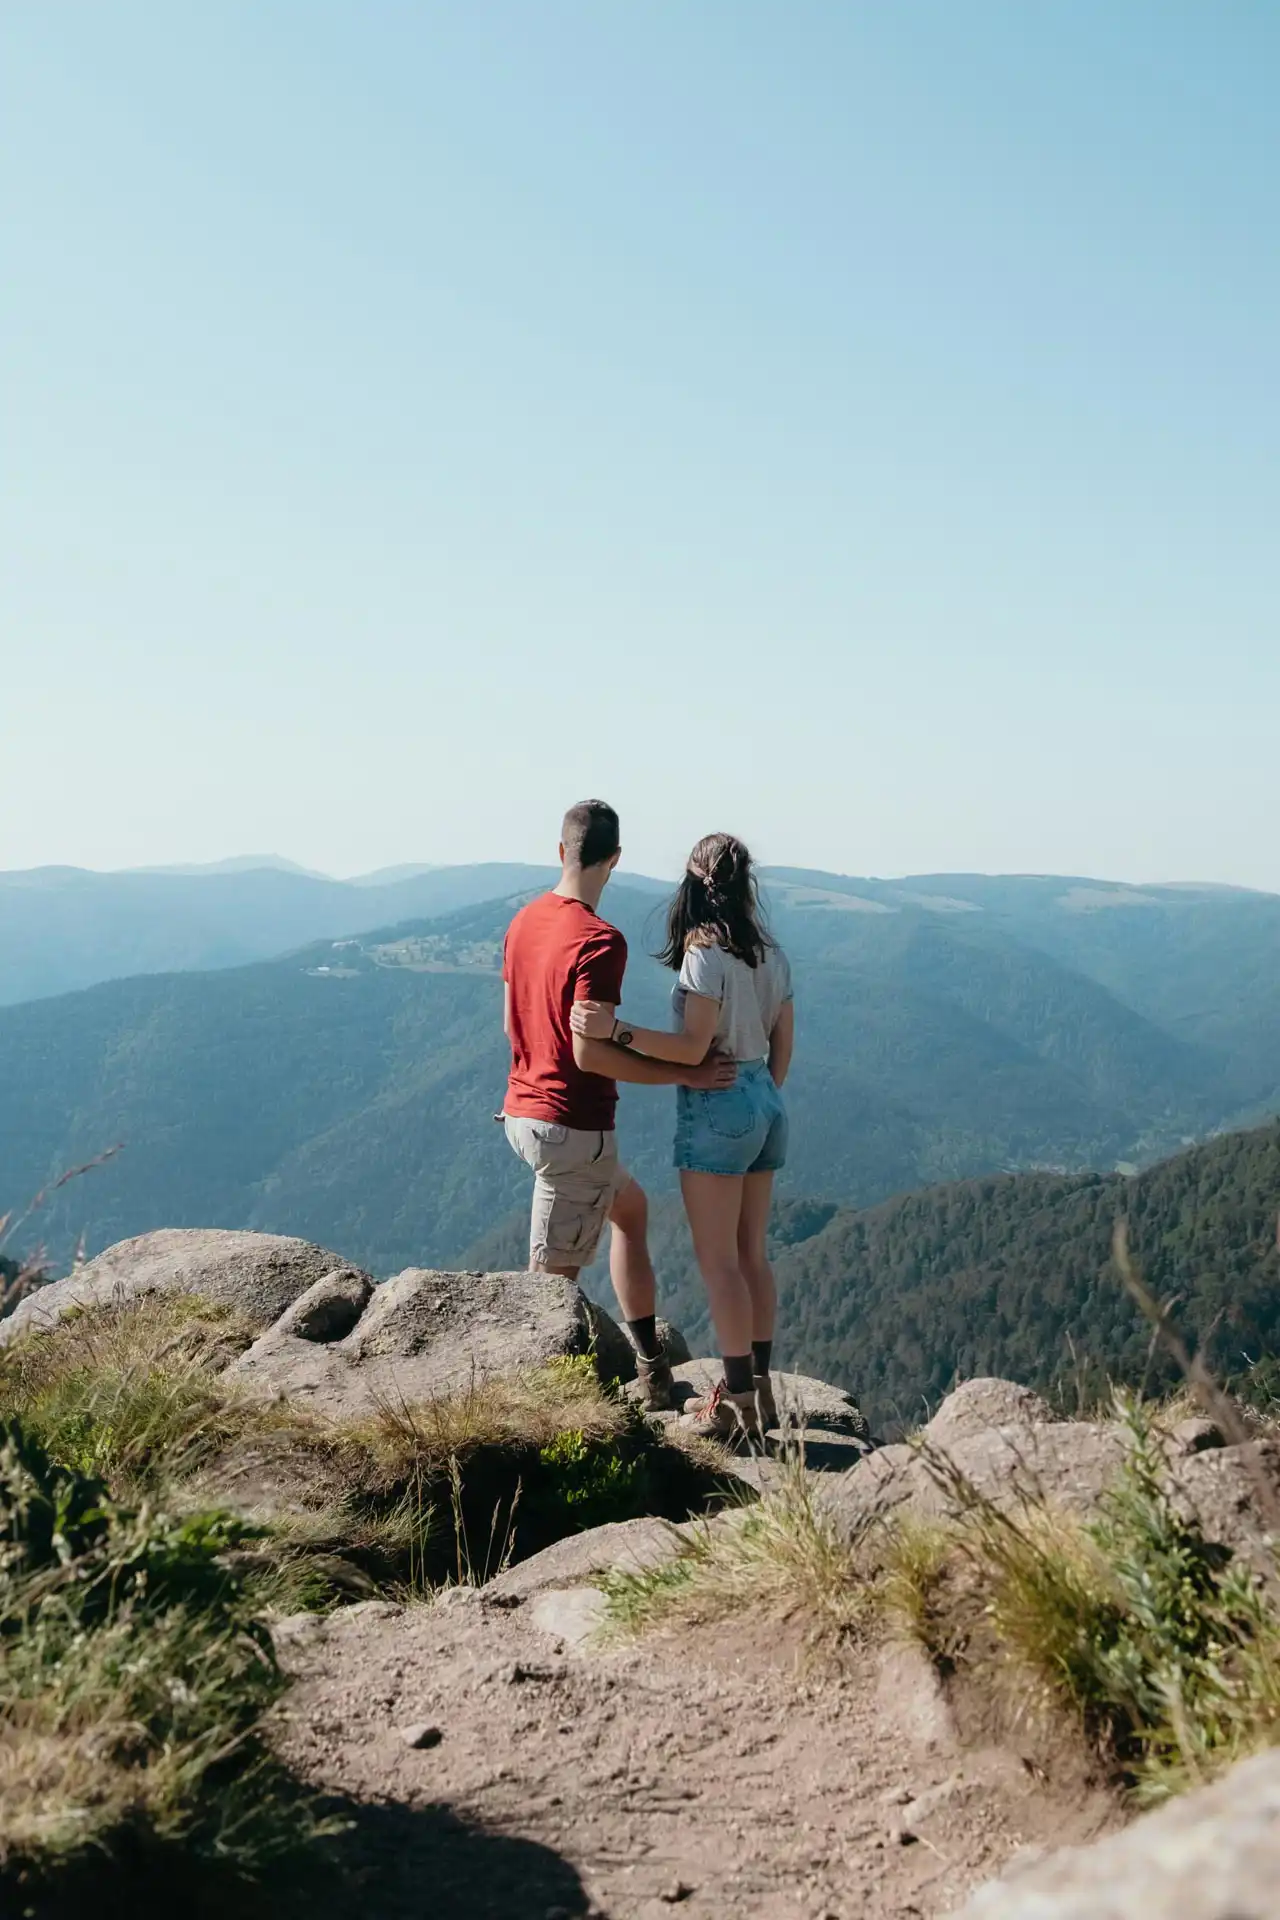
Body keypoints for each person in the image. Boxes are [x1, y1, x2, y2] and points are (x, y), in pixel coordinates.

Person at [501, 799, 735, 1411]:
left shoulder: (523, 922)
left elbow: (512, 1023)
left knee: (629, 1210)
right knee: (548, 1296)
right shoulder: (601, 941)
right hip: (571, 1127)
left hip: (521, 1113)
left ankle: (651, 1366)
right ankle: (533, 1415)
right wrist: (688, 1072)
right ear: (616, 861)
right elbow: (592, 1055)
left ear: (561, 851)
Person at [571, 832, 793, 1443]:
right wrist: (760, 1097)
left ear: (692, 882)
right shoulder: (769, 952)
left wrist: (616, 1030)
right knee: (753, 1254)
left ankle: (740, 1404)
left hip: (717, 1103)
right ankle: (765, 1389)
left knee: (719, 1262)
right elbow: (784, 1045)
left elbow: (692, 1047)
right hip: (767, 1102)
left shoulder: (705, 953)